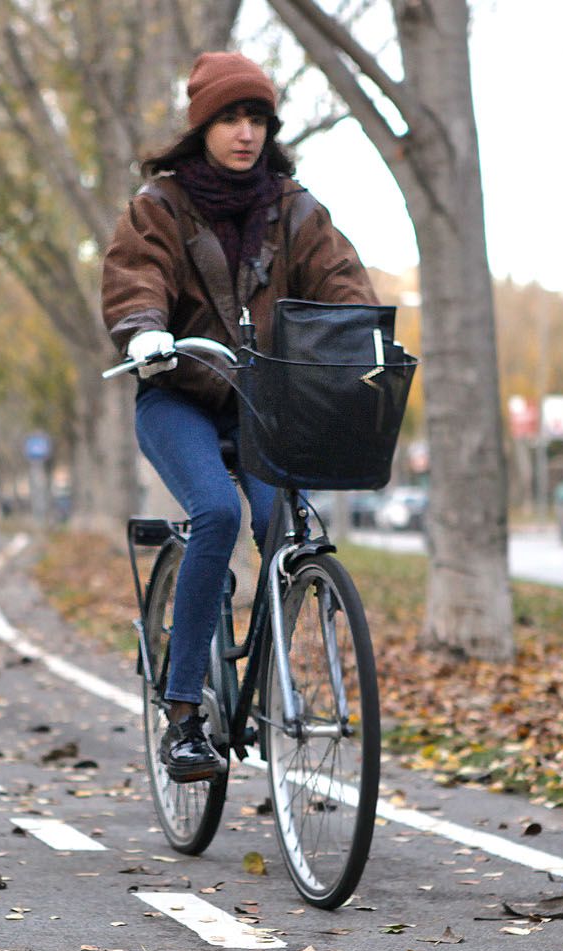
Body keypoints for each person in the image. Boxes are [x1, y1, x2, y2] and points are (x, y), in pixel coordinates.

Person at [101, 51, 376, 782]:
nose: (245, 132)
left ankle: (270, 673)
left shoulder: (295, 210)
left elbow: (343, 286)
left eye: (257, 118)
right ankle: (186, 715)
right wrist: (144, 330)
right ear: (203, 127)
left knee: (283, 526)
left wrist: (365, 344)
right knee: (217, 515)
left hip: (266, 405)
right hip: (178, 397)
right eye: (230, 117)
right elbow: (137, 274)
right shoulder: (159, 205)